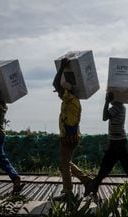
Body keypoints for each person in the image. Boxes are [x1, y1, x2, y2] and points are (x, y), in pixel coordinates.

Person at [52, 58, 92, 201]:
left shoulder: (70, 99)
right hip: (70, 135)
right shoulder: (71, 99)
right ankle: (87, 181)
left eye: (60, 91)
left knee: (64, 164)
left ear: (66, 91)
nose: (57, 93)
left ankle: (68, 193)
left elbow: (55, 83)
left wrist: (62, 67)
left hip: (69, 136)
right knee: (65, 163)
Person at [84, 92, 128, 197]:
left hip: (117, 142)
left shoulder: (118, 107)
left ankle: (93, 186)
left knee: (111, 166)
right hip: (117, 141)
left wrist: (106, 101)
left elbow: (105, 117)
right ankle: (94, 186)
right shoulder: (119, 106)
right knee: (108, 166)